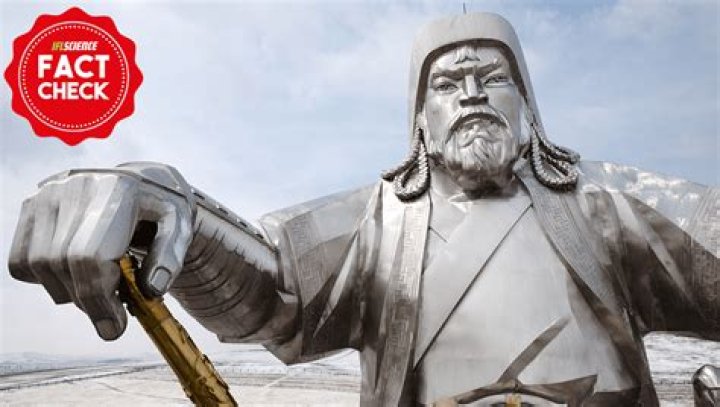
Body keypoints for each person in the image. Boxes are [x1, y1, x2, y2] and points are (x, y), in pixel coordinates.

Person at [8, 13, 718, 407]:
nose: (472, 92)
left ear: (528, 104)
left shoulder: (608, 205)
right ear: (419, 119)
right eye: (448, 83)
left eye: (493, 76)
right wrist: (173, 207)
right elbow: (270, 292)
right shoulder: (379, 223)